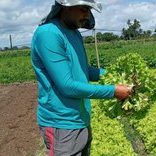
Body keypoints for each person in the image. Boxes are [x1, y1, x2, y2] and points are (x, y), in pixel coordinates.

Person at [31, 0, 131, 155]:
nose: (87, 14)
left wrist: (117, 74)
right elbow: (68, 86)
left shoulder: (74, 33)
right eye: (84, 8)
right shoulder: (49, 34)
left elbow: (85, 71)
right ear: (66, 6)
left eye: (89, 9)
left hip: (81, 117)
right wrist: (113, 91)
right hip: (61, 124)